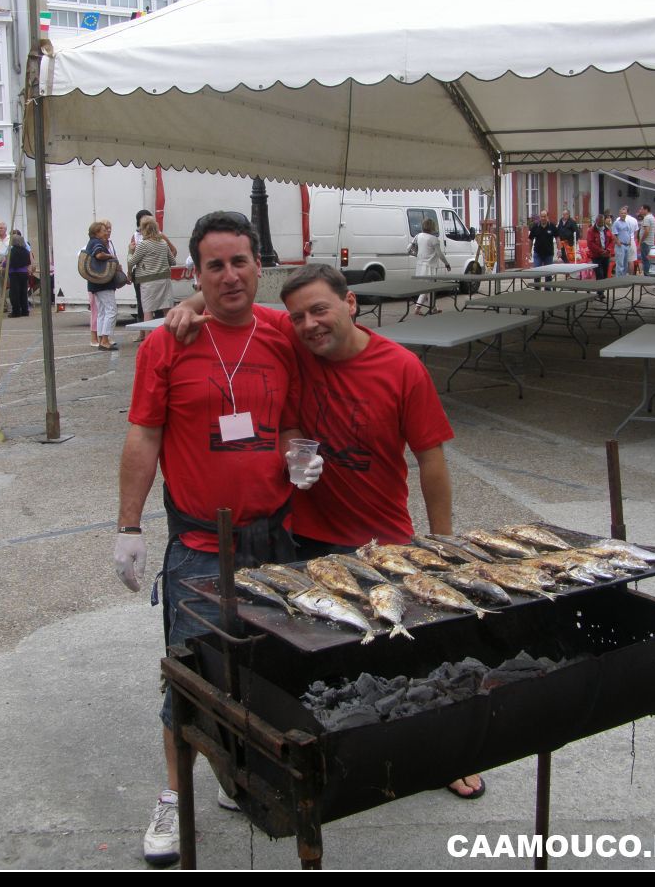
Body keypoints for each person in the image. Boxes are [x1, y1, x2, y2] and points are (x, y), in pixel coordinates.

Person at [165, 262, 486, 803]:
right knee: (315, 655)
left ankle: (444, 754)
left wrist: (442, 544)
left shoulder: (401, 367)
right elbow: (231, 301)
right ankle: (326, 750)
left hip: (385, 537)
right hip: (304, 541)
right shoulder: (295, 349)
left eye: (320, 310)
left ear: (350, 303)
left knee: (412, 651)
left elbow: (431, 459)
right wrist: (190, 304)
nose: (309, 324)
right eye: (298, 317)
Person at [113, 213, 317, 867]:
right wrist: (127, 526)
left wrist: (298, 454)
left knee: (263, 670)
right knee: (191, 676)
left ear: (260, 265)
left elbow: (288, 419)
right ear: (193, 274)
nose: (229, 275)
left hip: (274, 537)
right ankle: (176, 799)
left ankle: (239, 773)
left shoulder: (285, 332)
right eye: (214, 266)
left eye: (239, 261)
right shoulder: (166, 344)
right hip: (201, 544)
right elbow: (144, 435)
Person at [127, 216, 176, 336]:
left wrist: (130, 251)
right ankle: (169, 336)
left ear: (144, 230)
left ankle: (148, 339)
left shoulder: (143, 245)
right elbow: (173, 262)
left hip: (148, 281)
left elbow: (132, 261)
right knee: (167, 309)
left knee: (148, 311)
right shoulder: (163, 243)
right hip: (164, 280)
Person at [85, 221, 121, 351]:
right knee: (111, 310)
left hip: (95, 283)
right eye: (104, 230)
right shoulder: (97, 243)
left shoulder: (92, 242)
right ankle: (105, 339)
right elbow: (99, 254)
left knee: (101, 312)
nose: (107, 232)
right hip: (103, 283)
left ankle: (101, 339)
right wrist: (111, 256)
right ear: (97, 233)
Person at [408, 216, 450, 314]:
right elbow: (440, 254)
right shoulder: (434, 239)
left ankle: (433, 307)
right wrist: (447, 264)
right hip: (430, 267)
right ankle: (417, 308)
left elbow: (410, 247)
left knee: (430, 289)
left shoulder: (418, 236)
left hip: (420, 265)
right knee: (427, 288)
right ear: (432, 227)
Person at [585, 215, 613, 300]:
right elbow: (590, 244)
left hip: (606, 255)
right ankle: (600, 292)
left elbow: (612, 240)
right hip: (596, 256)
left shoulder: (607, 230)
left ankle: (602, 290)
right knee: (599, 273)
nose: (601, 224)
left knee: (604, 274)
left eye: (602, 222)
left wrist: (608, 250)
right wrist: (601, 251)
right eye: (599, 222)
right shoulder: (591, 231)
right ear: (596, 222)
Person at [528, 209, 558, 286]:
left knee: (548, 274)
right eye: (541, 216)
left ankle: (547, 291)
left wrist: (559, 250)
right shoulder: (535, 227)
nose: (543, 218)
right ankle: (537, 289)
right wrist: (529, 252)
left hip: (549, 254)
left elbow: (557, 238)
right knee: (537, 273)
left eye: (544, 216)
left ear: (547, 217)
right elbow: (530, 239)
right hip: (538, 253)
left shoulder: (552, 226)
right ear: (540, 217)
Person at [5, 234, 32, 317]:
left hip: (14, 273)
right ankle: (25, 310)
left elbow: (8, 261)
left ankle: (16, 311)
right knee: (23, 292)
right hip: (24, 273)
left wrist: (2, 266)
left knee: (14, 293)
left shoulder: (12, 251)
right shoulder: (26, 251)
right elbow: (28, 262)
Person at [611, 207, 633, 277]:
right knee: (620, 264)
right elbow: (614, 234)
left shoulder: (627, 223)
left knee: (625, 264)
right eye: (622, 213)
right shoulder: (616, 223)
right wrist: (618, 242)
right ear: (619, 214)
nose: (623, 214)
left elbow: (629, 233)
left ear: (626, 214)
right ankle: (619, 279)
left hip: (627, 245)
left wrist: (629, 241)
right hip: (620, 245)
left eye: (625, 213)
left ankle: (624, 279)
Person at [638, 204, 655, 277]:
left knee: (645, 260)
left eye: (641, 209)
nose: (640, 211)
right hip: (650, 241)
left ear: (646, 210)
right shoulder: (652, 217)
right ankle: (650, 275)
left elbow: (647, 231)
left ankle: (647, 275)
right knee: (649, 259)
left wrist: (641, 240)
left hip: (646, 242)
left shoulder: (647, 218)